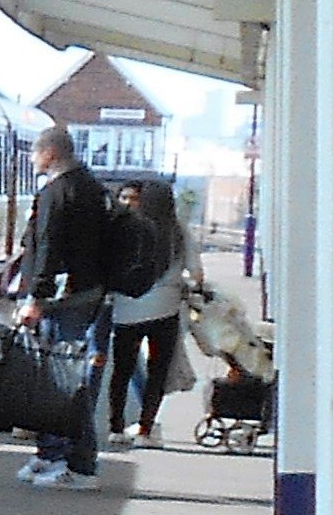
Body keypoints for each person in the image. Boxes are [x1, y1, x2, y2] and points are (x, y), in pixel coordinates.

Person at [10, 122, 115, 488]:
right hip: (89, 294)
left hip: (64, 301)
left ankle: (80, 466)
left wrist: (34, 298)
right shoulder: (94, 188)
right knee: (59, 381)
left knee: (65, 384)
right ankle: (50, 454)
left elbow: (48, 249)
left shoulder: (57, 192)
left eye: (35, 152)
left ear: (50, 153)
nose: (32, 158)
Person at [103, 176, 198, 446]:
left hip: (126, 310)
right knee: (157, 372)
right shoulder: (178, 230)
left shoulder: (125, 227)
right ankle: (145, 430)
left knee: (122, 371)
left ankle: (116, 428)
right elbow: (197, 273)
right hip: (166, 310)